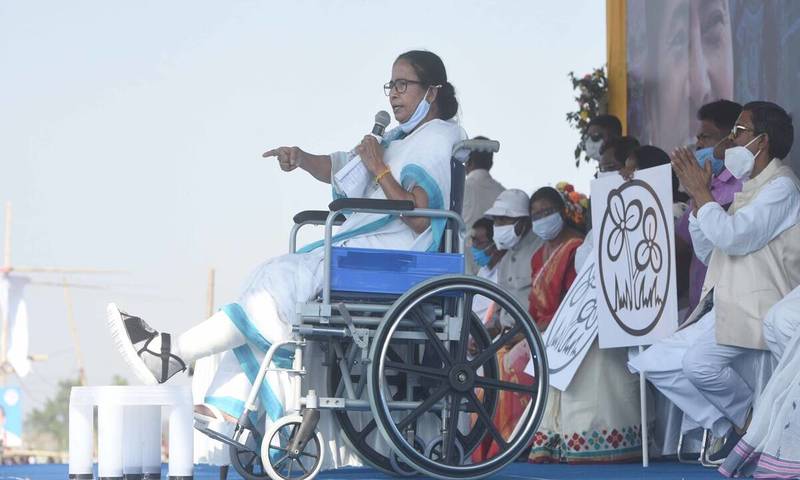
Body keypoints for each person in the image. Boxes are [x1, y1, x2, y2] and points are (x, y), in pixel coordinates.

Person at [106, 50, 466, 470]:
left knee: (275, 287)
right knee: (265, 279)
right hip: (366, 251)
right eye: (391, 85)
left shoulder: (439, 137)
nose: (393, 94)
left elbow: (421, 218)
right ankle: (223, 405)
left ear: (432, 92)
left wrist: (380, 168)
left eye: (403, 85)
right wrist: (302, 158)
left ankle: (176, 355)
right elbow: (344, 169)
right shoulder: (397, 139)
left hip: (399, 257)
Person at [629, 101, 800, 461]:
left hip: (763, 306)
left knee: (697, 364)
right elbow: (710, 251)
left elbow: (735, 237)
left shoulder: (782, 186)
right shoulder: (752, 186)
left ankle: (748, 428)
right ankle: (744, 425)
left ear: (762, 141)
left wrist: (704, 195)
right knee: (655, 361)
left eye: (739, 130)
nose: (731, 139)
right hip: (731, 303)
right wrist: (698, 200)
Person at [675, 100, 743, 319]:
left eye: (705, 137)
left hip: (728, 311)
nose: (699, 144)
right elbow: (680, 242)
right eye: (698, 138)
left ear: (731, 139)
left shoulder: (744, 185)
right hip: (697, 310)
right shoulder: (705, 183)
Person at [483, 189, 542, 335]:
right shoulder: (505, 260)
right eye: (495, 220)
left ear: (524, 222)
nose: (498, 225)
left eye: (503, 220)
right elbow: (500, 308)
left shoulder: (542, 249)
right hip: (507, 337)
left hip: (532, 337)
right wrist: (490, 327)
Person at [462, 136, 505, 274]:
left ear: (467, 162)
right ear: (491, 163)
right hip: (496, 268)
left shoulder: (460, 190)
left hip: (465, 267)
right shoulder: (503, 193)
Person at [469, 217, 504, 323]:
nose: (474, 246)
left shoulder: (502, 274)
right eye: (473, 240)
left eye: (479, 243)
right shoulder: (483, 270)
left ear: (495, 245)